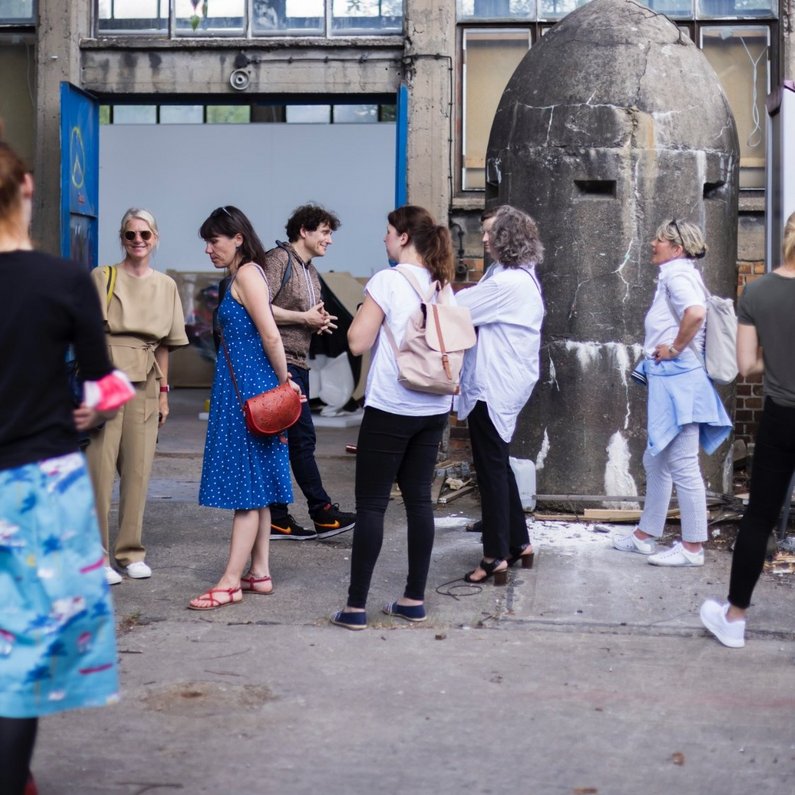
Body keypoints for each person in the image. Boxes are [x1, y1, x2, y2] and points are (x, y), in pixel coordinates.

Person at [0, 137, 121, 795]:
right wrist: (85, 410)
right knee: (20, 653)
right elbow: (103, 386)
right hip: (37, 488)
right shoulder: (65, 281)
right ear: (28, 188)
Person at [330, 205, 455, 629]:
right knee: (420, 501)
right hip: (434, 405)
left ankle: (355, 608)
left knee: (371, 505)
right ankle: (413, 600)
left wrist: (364, 309)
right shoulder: (442, 285)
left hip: (391, 406)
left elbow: (357, 342)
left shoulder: (387, 280)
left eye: (387, 232)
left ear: (403, 237)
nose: (383, 239)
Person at [190, 206, 301, 610]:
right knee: (260, 484)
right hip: (249, 391)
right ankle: (260, 572)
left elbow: (272, 336)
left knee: (247, 492)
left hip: (250, 395)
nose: (208, 249)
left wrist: (285, 381)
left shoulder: (249, 274)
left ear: (237, 238)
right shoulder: (242, 276)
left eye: (213, 241)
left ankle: (230, 581)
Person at [700, 212, 795, 648]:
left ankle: (735, 619)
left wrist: (777, 359)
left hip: (781, 416)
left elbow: (747, 366)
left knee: (759, 517)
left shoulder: (756, 292)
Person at [613, 219, 732, 566]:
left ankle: (693, 547)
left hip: (679, 378)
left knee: (682, 464)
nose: (652, 243)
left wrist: (676, 348)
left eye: (659, 240)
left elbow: (695, 313)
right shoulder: (678, 274)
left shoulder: (678, 276)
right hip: (673, 379)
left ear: (676, 248)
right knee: (657, 459)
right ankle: (644, 536)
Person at [86, 208, 189, 585]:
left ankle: (130, 552)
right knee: (98, 470)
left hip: (146, 379)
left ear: (156, 238)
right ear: (122, 238)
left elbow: (165, 346)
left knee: (138, 471)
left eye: (145, 234)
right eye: (131, 235)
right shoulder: (104, 276)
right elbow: (87, 333)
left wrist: (164, 394)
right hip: (107, 376)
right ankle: (95, 556)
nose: (138, 241)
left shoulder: (166, 286)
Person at [456, 205, 544, 584]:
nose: (485, 238)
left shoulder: (508, 283)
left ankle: (494, 555)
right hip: (502, 381)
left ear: (510, 239)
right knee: (499, 463)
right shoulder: (512, 275)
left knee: (489, 469)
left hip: (493, 385)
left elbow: (459, 310)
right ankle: (519, 542)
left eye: (492, 233)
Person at [262, 204, 355, 540]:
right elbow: (258, 306)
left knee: (289, 440)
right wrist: (304, 319)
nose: (329, 240)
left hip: (297, 363)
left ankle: (279, 517)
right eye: (325, 232)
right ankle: (321, 512)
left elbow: (304, 314)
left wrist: (319, 321)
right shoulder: (278, 261)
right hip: (277, 363)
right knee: (298, 439)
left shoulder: (311, 271)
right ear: (304, 230)